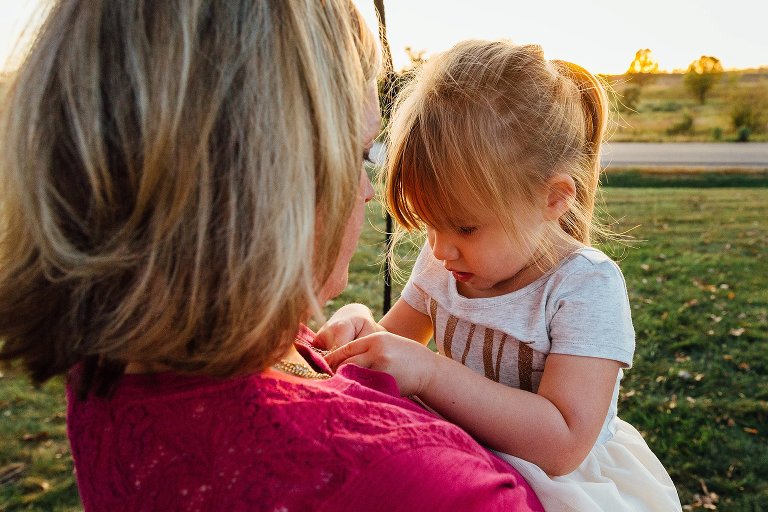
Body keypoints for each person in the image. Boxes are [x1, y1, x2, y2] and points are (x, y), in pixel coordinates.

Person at [0, 3, 544, 511]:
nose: (367, 191)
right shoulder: (427, 491)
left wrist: (343, 352)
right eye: (358, 153)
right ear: (263, 182)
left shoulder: (117, 367)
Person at [319, 40, 683, 511]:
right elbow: (394, 346)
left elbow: (564, 442)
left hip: (565, 491)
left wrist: (431, 372)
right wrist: (361, 326)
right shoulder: (448, 260)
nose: (439, 247)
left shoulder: (584, 288)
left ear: (553, 198)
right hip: (464, 464)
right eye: (431, 224)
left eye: (465, 227)